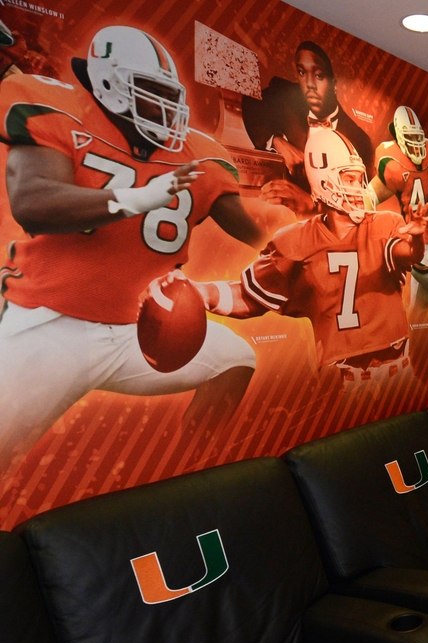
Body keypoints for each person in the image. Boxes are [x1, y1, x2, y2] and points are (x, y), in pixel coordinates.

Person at [0, 25, 268, 478]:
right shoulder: (60, 110)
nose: (165, 110)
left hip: (134, 331)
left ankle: (191, 468)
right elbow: (33, 204)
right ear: (108, 84)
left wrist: (302, 237)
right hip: (52, 322)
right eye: (149, 92)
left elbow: (258, 230)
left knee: (236, 359)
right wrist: (135, 199)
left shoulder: (199, 155)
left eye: (169, 95)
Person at [191, 127, 428, 391]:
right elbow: (249, 297)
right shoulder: (295, 241)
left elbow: (405, 253)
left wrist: (417, 239)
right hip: (346, 383)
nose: (358, 187)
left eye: (359, 179)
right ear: (324, 181)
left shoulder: (384, 224)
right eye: (348, 179)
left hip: (400, 373)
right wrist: (199, 294)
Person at [242, 40, 373, 217]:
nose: (310, 84)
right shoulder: (283, 97)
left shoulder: (359, 140)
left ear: (334, 85)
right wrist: (276, 140)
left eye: (319, 76)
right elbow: (251, 103)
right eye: (302, 73)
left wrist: (312, 205)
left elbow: (360, 209)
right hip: (272, 214)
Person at [368, 105, 428, 323]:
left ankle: (415, 350)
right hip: (415, 248)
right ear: (400, 136)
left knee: (419, 310)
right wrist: (376, 232)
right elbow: (368, 197)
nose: (416, 143)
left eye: (418, 137)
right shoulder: (395, 164)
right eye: (409, 136)